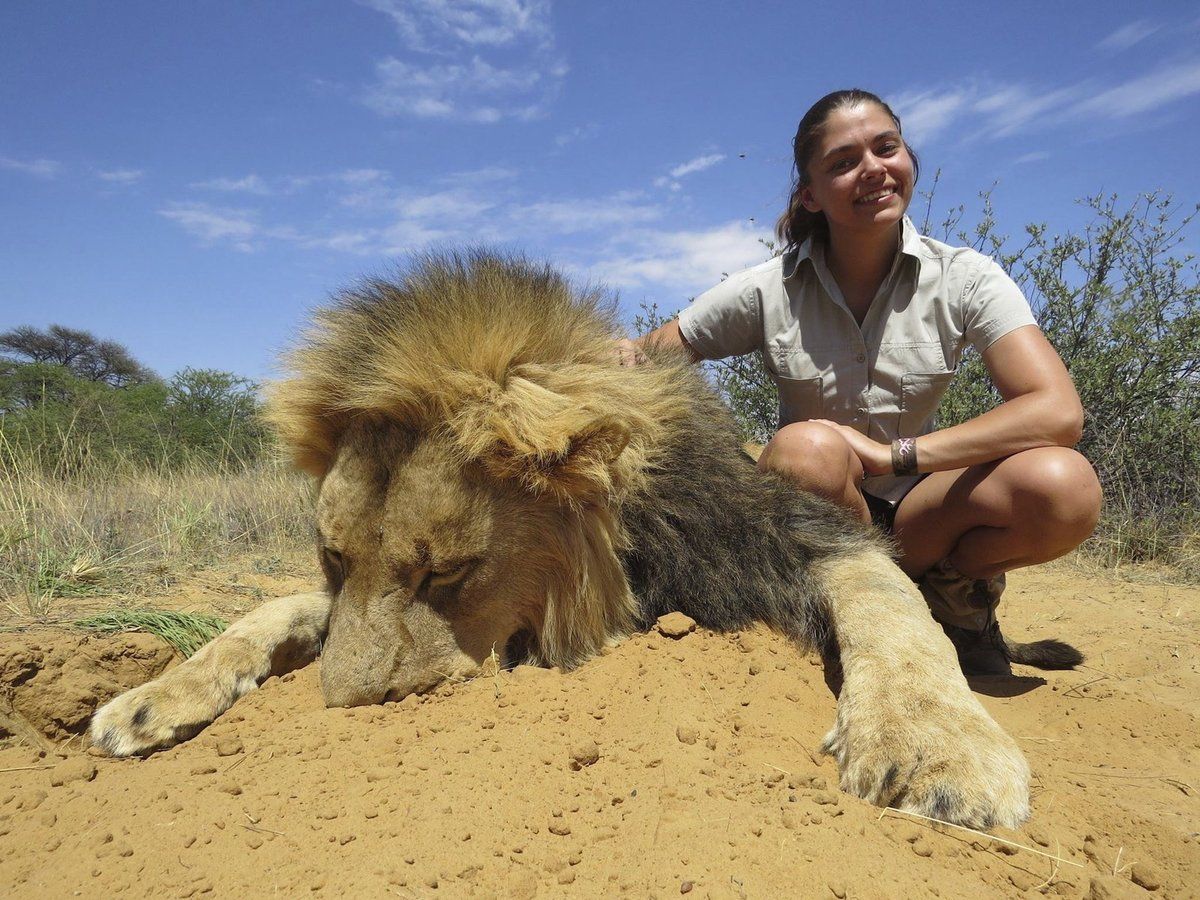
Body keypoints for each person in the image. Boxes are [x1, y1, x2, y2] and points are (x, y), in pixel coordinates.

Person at [624, 88, 1102, 676]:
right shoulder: (766, 287)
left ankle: (956, 602)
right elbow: (649, 357)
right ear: (810, 195)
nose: (873, 170)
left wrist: (891, 455)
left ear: (908, 160)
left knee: (1064, 486)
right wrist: (604, 353)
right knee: (807, 451)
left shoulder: (967, 277)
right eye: (843, 162)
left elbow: (1057, 412)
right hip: (817, 510)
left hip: (921, 511)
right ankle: (854, 607)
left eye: (886, 148)